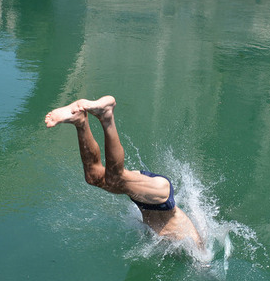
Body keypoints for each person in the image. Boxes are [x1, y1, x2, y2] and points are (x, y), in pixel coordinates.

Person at [45, 95, 202, 248]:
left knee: (93, 177)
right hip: (162, 198)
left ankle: (80, 121)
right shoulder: (198, 250)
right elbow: (203, 258)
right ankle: (107, 117)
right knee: (115, 178)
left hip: (145, 200)